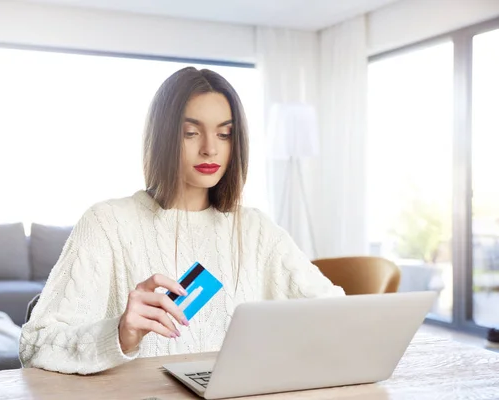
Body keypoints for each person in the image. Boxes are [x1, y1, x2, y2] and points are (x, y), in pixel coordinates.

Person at [19, 67, 345, 375]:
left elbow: (337, 314)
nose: (210, 149)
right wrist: (119, 333)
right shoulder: (107, 223)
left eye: (225, 134)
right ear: (163, 137)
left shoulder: (257, 229)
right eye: (191, 133)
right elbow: (36, 345)